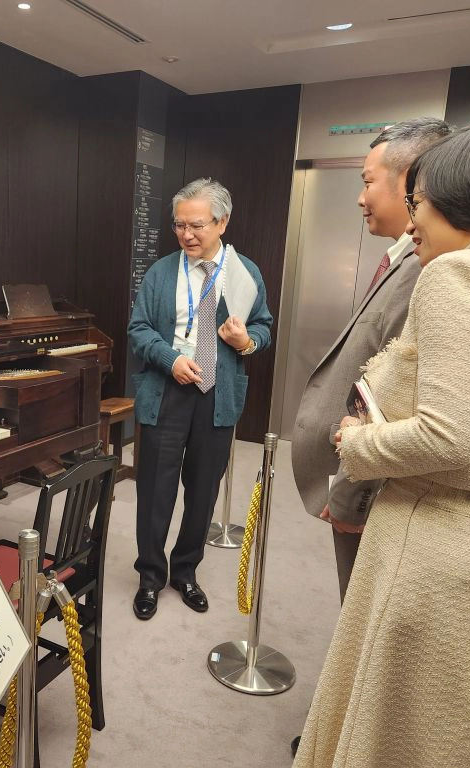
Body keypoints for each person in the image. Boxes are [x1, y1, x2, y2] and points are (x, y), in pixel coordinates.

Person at [294, 118, 470, 767]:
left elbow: (450, 434)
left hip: (426, 542)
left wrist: (359, 441)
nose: (413, 217)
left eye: (418, 200)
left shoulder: (457, 276)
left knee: (386, 731)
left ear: (462, 198)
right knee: (433, 734)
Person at [292, 117, 450, 603]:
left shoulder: (424, 270)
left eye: (367, 182)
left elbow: (392, 399)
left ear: (412, 181)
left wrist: (350, 493)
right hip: (358, 466)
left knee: (365, 608)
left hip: (370, 481)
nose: (361, 198)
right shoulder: (403, 258)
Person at [128, 178, 272, 620]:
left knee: (204, 490)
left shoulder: (245, 273)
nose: (187, 235)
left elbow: (263, 327)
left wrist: (247, 341)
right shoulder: (160, 273)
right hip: (167, 392)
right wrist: (169, 359)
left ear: (222, 222)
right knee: (155, 490)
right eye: (179, 225)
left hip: (217, 396)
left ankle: (185, 572)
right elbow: (138, 329)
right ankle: (150, 576)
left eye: (197, 225)